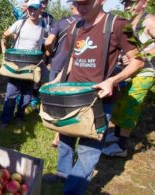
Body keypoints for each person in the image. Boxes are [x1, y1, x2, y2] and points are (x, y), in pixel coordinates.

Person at [43, 0, 144, 194]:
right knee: (65, 139)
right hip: (72, 96)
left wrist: (112, 81)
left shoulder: (118, 25)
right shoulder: (74, 27)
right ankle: (63, 174)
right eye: (76, 3)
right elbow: (74, 58)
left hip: (99, 100)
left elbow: (137, 61)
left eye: (86, 2)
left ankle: (73, 189)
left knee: (88, 149)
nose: (81, 6)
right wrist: (57, 79)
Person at [103, 0, 155, 157]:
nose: (127, 5)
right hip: (130, 70)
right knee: (121, 102)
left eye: (131, 2)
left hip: (145, 72)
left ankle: (121, 147)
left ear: (144, 3)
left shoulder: (150, 20)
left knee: (130, 107)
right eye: (125, 2)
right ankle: (117, 135)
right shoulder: (131, 20)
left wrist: (141, 57)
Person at [0, 0, 45, 128]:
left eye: (34, 9)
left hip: (31, 66)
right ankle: (5, 119)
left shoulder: (42, 26)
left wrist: (42, 58)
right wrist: (5, 54)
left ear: (40, 9)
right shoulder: (20, 23)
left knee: (26, 95)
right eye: (30, 9)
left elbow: (41, 45)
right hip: (16, 65)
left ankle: (20, 115)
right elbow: (4, 36)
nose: (32, 11)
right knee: (11, 93)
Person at [44, 3, 81, 147]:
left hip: (58, 63)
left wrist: (50, 52)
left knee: (55, 97)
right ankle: (59, 134)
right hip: (76, 66)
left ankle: (53, 124)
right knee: (68, 99)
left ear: (72, 6)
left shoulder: (61, 22)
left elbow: (48, 41)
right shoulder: (87, 23)